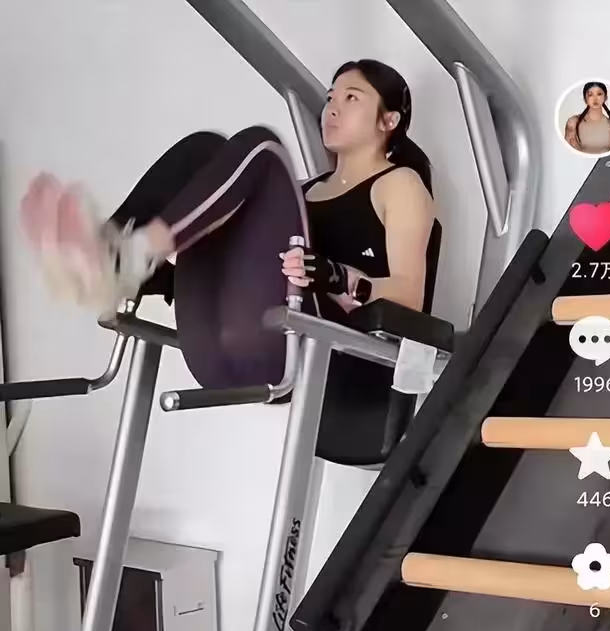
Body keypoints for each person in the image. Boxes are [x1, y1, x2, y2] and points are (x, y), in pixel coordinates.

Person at [20, 59, 437, 389]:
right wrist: (174, 269)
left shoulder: (399, 184)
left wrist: (338, 276)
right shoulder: (302, 191)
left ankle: (126, 258)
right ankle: (112, 259)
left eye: (351, 98)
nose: (332, 108)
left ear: (389, 121)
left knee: (263, 151)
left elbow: (410, 296)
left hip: (318, 352)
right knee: (204, 153)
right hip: (212, 348)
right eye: (331, 98)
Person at [564, 82, 610, 155]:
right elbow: (568, 152)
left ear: (605, 97)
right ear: (585, 99)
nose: (595, 99)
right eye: (590, 95)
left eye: (599, 94)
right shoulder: (573, 122)